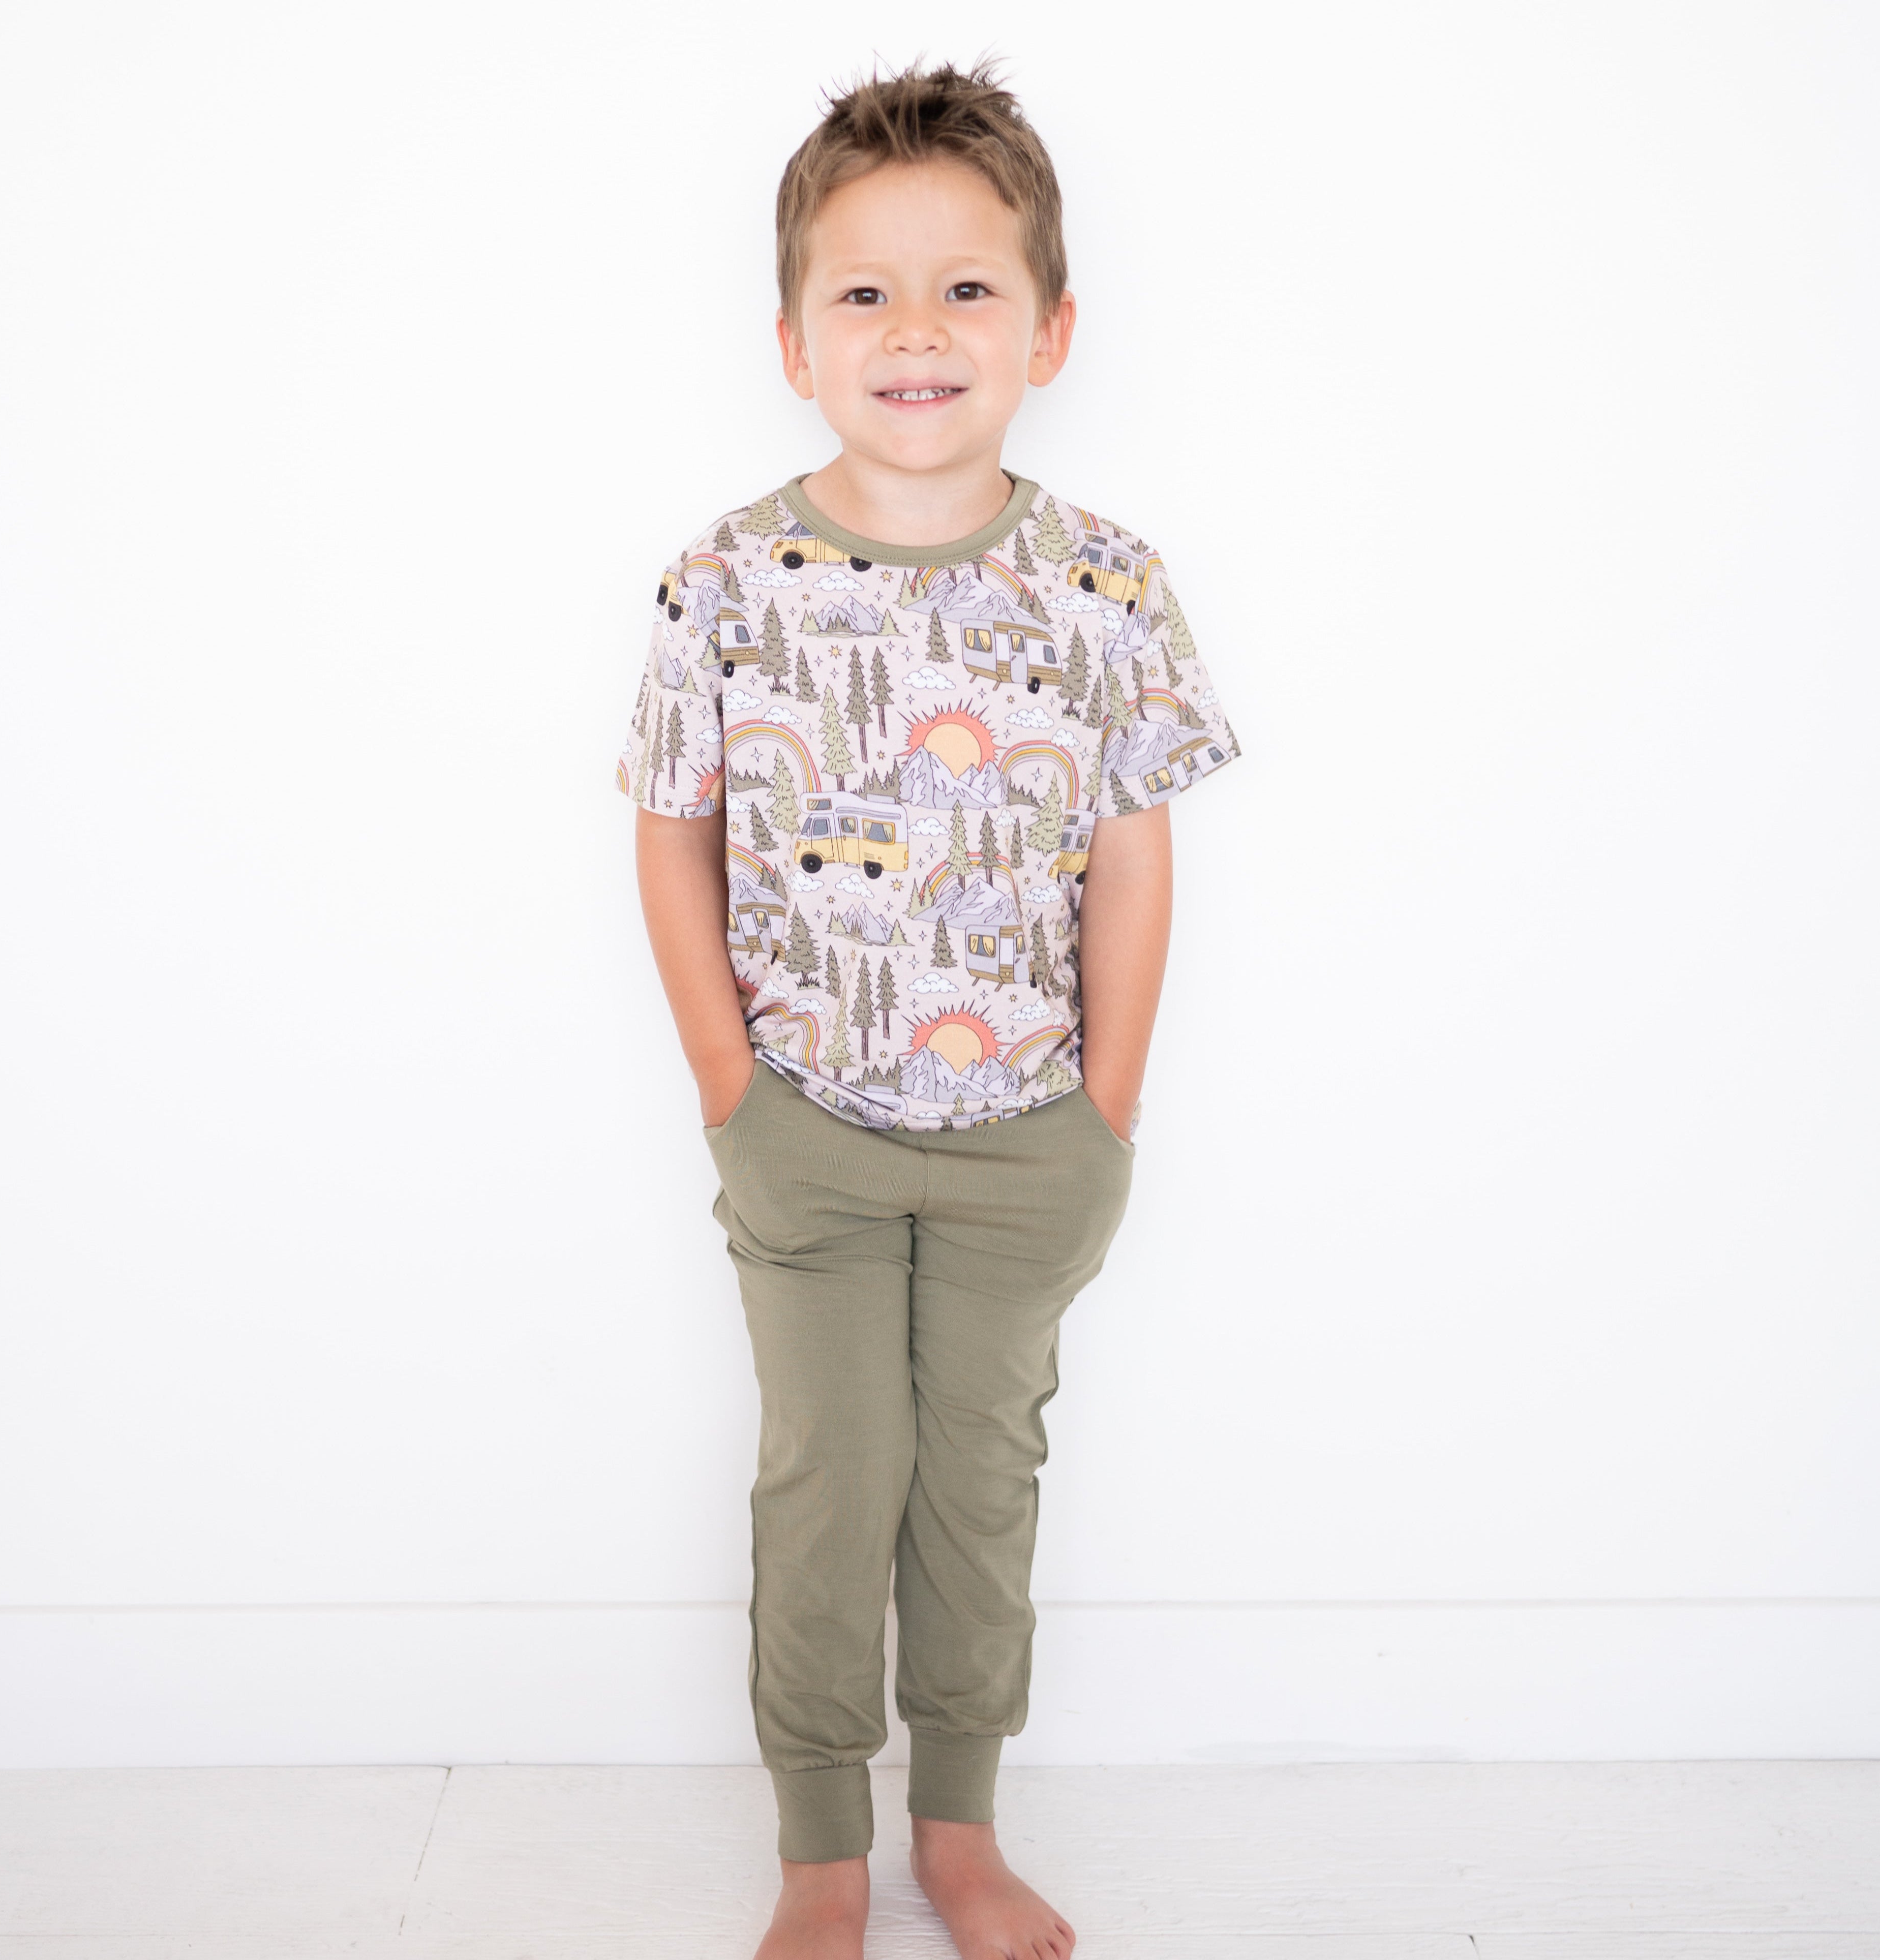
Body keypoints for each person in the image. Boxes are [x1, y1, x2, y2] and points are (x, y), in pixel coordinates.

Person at [615, 56, 1239, 1960]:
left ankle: (956, 1826)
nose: (914, 330)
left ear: (1050, 331)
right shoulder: (722, 582)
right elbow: (672, 839)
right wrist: (737, 1091)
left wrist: (1104, 1111)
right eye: (863, 292)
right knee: (830, 1482)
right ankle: (822, 1847)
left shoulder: (1108, 585)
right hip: (804, 1136)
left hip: (1024, 1146)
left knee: (978, 1490)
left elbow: (1132, 854)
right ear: (794, 339)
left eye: (965, 287)